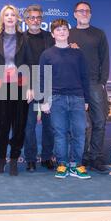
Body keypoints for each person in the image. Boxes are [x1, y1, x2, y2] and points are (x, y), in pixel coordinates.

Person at [40, 18, 91, 179]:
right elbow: (43, 78)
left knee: (79, 133)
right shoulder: (47, 54)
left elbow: (84, 77)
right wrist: (44, 100)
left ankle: (76, 165)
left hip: (77, 98)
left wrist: (86, 100)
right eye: (58, 30)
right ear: (53, 34)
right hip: (56, 99)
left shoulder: (78, 53)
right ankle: (62, 164)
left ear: (68, 32)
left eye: (64, 29)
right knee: (60, 133)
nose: (61, 32)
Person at [0, 4, 34, 176]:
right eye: (6, 15)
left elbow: (30, 63)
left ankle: (14, 159)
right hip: (1, 86)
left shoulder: (24, 38)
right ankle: (1, 159)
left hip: (21, 85)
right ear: (2, 18)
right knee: (1, 125)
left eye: (12, 14)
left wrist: (31, 88)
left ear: (16, 18)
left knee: (19, 125)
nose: (9, 17)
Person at [68, 1, 110, 174]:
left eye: (87, 11)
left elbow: (105, 59)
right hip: (75, 84)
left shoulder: (99, 34)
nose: (84, 13)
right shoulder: (67, 34)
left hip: (94, 83)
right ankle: (82, 157)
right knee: (81, 125)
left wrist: (102, 82)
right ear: (75, 14)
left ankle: (96, 157)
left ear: (90, 14)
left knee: (99, 121)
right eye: (81, 11)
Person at [22, 5, 55, 172]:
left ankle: (47, 157)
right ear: (26, 20)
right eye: (32, 17)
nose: (35, 20)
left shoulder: (50, 37)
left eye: (38, 17)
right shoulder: (20, 38)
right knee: (29, 125)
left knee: (49, 124)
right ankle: (30, 159)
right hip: (28, 87)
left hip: (48, 83)